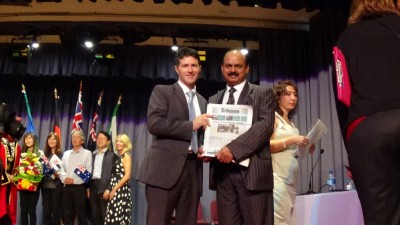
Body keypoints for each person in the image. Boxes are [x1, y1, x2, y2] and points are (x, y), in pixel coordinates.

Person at [335, 1, 400, 224]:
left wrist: (351, 151)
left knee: (380, 217)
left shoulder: (346, 38)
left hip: (367, 131)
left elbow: (343, 97)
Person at [137, 47, 212, 225]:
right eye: (185, 65)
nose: (190, 69)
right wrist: (191, 125)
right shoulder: (162, 91)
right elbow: (154, 124)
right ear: (176, 69)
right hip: (163, 171)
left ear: (200, 69)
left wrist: (202, 147)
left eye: (194, 65)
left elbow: (198, 135)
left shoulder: (202, 101)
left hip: (193, 170)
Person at [207, 49, 275, 225]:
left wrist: (233, 149)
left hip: (253, 175)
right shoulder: (214, 99)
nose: (233, 70)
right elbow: (209, 131)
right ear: (222, 68)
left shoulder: (263, 93)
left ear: (247, 69)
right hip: (223, 176)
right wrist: (205, 148)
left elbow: (265, 126)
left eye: (238, 66)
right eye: (228, 66)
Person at [269, 80, 315, 224]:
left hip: (291, 178)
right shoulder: (273, 118)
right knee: (280, 220)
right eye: (287, 94)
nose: (293, 98)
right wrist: (291, 140)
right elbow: (266, 145)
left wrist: (305, 147)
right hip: (277, 177)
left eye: (295, 94)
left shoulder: (291, 122)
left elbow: (292, 149)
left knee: (288, 219)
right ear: (278, 97)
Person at [60, 130, 92, 225]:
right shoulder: (66, 153)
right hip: (67, 188)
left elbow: (88, 172)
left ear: (82, 140)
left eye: (77, 137)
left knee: (82, 215)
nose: (74, 139)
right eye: (73, 137)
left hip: (80, 188)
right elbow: (61, 169)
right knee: (67, 215)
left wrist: (75, 180)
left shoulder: (87, 153)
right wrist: (65, 178)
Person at [0, 103, 25, 225]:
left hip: (11, 185)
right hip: (1, 183)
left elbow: (18, 166)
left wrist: (14, 176)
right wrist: (5, 177)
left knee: (9, 216)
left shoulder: (17, 146)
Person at [89, 131, 117, 225]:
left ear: (108, 141)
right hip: (93, 186)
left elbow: (115, 175)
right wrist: (88, 188)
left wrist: (109, 189)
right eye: (98, 138)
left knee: (105, 215)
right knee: (95, 215)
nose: (99, 140)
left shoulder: (112, 156)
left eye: (102, 138)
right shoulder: (92, 155)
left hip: (105, 187)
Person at [104, 134, 132, 225]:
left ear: (125, 144)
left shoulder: (126, 156)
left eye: (121, 141)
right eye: (117, 141)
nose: (118, 143)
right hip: (115, 189)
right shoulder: (119, 156)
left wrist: (114, 189)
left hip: (121, 191)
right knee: (112, 217)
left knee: (117, 219)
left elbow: (127, 176)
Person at [18, 133, 44, 225]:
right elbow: (19, 168)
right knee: (23, 210)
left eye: (30, 138)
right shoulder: (22, 153)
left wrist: (36, 182)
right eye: (26, 139)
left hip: (34, 186)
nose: (27, 140)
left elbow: (41, 169)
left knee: (31, 210)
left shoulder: (40, 153)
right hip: (23, 185)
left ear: (34, 140)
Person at [40, 132, 63, 225]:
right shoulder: (43, 154)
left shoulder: (62, 154)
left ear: (57, 141)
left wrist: (57, 174)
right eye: (49, 139)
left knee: (56, 212)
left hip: (56, 187)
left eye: (54, 139)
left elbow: (63, 172)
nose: (51, 141)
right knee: (46, 213)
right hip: (45, 187)